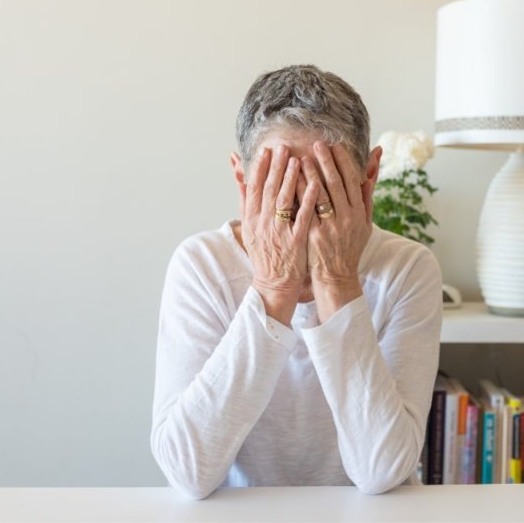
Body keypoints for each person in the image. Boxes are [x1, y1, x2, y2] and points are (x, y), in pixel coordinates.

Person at [150, 64, 442, 500]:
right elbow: (188, 471)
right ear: (242, 182)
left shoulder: (407, 269)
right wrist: (272, 288)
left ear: (368, 178)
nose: (303, 219)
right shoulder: (202, 266)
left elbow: (382, 471)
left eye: (325, 194)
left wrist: (338, 281)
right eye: (282, 193)